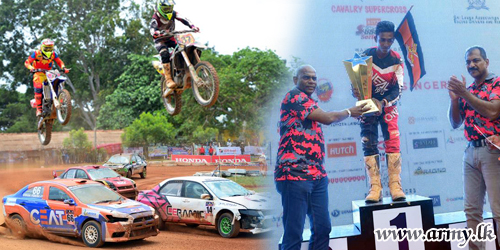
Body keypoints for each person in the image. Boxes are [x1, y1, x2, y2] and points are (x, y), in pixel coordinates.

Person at [275, 65, 368, 250]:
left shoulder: (310, 102)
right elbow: (328, 118)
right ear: (296, 80)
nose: (311, 81)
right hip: (294, 175)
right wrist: (350, 112)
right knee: (294, 233)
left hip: (317, 176)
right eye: (306, 77)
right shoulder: (294, 96)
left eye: (314, 78)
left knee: (323, 228)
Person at [448, 46, 500, 250]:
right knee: (471, 211)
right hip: (470, 152)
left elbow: (493, 112)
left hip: (493, 151)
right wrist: (455, 100)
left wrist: (464, 94)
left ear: (486, 62)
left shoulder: (496, 82)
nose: (471, 65)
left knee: (498, 210)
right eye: (468, 62)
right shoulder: (467, 90)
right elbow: (455, 123)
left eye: (476, 60)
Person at [352, 20, 406, 203]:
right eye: (382, 40)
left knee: (393, 142)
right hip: (368, 106)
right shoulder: (363, 57)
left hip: (388, 106)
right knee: (369, 142)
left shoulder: (397, 60)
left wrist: (383, 101)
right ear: (375, 38)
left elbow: (398, 89)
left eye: (389, 41)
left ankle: (395, 185)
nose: (385, 44)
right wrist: (356, 90)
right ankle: (375, 187)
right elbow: (357, 84)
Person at [150, 0, 199, 94]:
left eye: (170, 8)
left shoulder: (173, 14)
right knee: (164, 53)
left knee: (183, 49)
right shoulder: (156, 18)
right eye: (166, 8)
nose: (168, 10)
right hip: (160, 40)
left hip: (171, 37)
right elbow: (152, 29)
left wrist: (192, 26)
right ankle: (168, 79)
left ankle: (183, 71)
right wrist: (156, 33)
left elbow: (183, 19)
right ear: (160, 7)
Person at [24, 39, 70, 117]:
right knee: (38, 87)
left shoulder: (53, 54)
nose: (48, 50)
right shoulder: (36, 53)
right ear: (42, 47)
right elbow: (27, 62)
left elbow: (59, 61)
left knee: (58, 82)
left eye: (50, 48)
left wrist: (63, 67)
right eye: (46, 48)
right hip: (39, 73)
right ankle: (39, 109)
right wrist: (31, 67)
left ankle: (62, 101)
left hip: (49, 73)